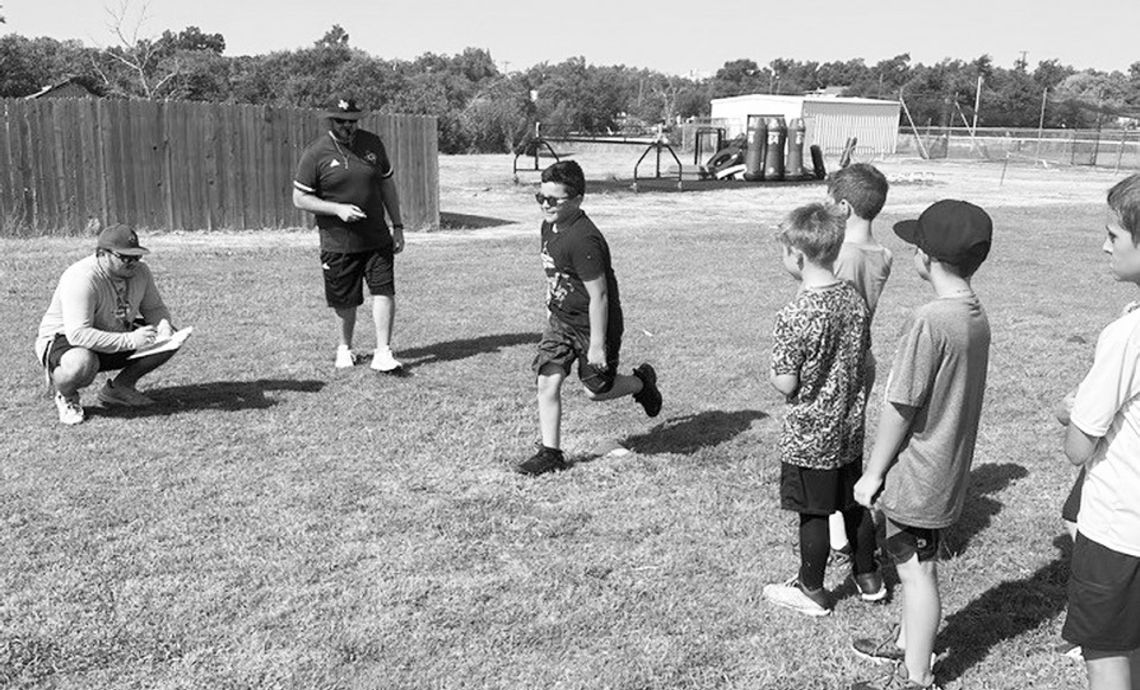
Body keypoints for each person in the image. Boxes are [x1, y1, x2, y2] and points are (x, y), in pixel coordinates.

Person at [850, 199, 993, 690]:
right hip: (943, 466)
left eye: (915, 245)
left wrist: (873, 472)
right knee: (914, 566)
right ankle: (908, 645)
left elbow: (901, 404)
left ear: (928, 258)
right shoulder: (973, 313)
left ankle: (918, 675)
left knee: (917, 573)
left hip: (921, 471)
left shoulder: (931, 318)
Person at [762, 202, 882, 617]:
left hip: (810, 433)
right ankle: (869, 577)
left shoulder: (794, 314)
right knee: (853, 502)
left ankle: (811, 588)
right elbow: (865, 359)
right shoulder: (852, 298)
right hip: (849, 426)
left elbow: (786, 382)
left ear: (796, 255)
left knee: (812, 511)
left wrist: (775, 371)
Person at [516, 160, 662, 476]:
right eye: (541, 197)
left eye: (554, 200)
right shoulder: (548, 225)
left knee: (596, 390)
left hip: (596, 324)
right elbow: (555, 273)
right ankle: (550, 453)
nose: (545, 205)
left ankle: (640, 382)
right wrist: (549, 306)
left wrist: (597, 346)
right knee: (547, 380)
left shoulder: (584, 239)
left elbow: (600, 296)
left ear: (578, 199)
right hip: (562, 320)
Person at [1060, 172, 1140, 690]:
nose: (1103, 246)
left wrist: (1069, 413)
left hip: (1119, 529)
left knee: (1107, 652)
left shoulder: (1128, 334)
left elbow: (1078, 448)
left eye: (1114, 236)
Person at [292, 96, 407, 373]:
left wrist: (398, 225)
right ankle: (344, 348)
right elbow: (300, 198)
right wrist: (336, 209)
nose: (348, 127)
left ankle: (383, 352)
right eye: (342, 122)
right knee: (345, 299)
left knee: (384, 290)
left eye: (353, 121)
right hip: (338, 241)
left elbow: (387, 187)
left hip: (377, 237)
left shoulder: (373, 144)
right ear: (331, 121)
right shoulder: (316, 152)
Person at [34, 224, 178, 425]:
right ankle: (66, 396)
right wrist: (130, 340)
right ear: (103, 254)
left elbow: (154, 309)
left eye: (137, 257)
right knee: (81, 364)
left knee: (172, 338)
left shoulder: (141, 272)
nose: (133, 263)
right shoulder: (82, 278)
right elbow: (78, 334)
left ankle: (120, 388)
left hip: (117, 329)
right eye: (126, 258)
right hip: (67, 339)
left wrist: (163, 326)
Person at [826, 162, 894, 566]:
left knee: (833, 453)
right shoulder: (880, 253)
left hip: (838, 361)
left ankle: (841, 539)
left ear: (846, 208)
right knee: (846, 445)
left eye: (832, 203)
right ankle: (842, 533)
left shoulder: (845, 257)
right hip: (861, 359)